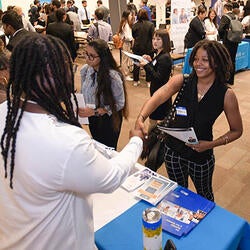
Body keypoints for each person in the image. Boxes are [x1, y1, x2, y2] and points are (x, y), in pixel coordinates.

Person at [0, 32, 143, 249]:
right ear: (54, 76)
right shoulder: (66, 141)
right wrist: (136, 142)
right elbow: (111, 178)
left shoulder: (5, 113)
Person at [135, 40, 243, 201]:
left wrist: (211, 144)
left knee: (205, 195)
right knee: (178, 192)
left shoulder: (226, 94)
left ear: (217, 62)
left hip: (201, 155)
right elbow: (158, 97)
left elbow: (237, 130)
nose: (198, 64)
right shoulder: (183, 81)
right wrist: (141, 117)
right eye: (195, 59)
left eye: (205, 60)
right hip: (173, 151)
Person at [79, 39, 128, 150]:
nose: (87, 58)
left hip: (108, 120)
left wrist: (95, 112)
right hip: (92, 117)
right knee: (96, 147)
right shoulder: (86, 70)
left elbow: (120, 103)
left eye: (91, 56)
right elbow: (84, 91)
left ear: (102, 57)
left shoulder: (112, 76)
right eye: (86, 54)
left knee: (107, 150)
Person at [138, 29, 172, 132]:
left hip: (161, 94)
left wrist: (147, 66)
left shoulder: (165, 57)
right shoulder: (159, 54)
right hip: (157, 92)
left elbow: (158, 78)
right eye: (153, 39)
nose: (155, 41)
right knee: (154, 118)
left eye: (158, 39)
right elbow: (156, 68)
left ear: (165, 41)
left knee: (158, 120)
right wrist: (150, 61)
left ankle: (152, 143)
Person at [132, 8, 155, 86]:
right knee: (148, 64)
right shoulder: (151, 25)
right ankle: (148, 81)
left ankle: (136, 81)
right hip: (148, 47)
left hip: (137, 47)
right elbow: (153, 37)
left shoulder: (135, 25)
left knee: (136, 64)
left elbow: (133, 36)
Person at [218, 2, 240, 85]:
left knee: (226, 60)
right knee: (233, 60)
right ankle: (231, 80)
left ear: (225, 9)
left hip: (227, 42)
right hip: (236, 41)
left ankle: (225, 80)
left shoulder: (225, 17)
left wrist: (221, 37)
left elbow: (220, 29)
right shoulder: (235, 17)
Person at [118, 10, 134, 81]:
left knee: (125, 58)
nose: (131, 16)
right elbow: (128, 36)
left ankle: (125, 73)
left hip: (126, 43)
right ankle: (125, 75)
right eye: (130, 15)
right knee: (125, 59)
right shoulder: (126, 24)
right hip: (126, 43)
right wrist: (132, 39)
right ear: (127, 16)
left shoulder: (125, 23)